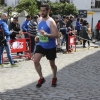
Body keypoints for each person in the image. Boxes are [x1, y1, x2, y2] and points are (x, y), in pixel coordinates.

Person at [34, 3, 59, 88]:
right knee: (35, 61)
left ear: (48, 11)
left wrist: (46, 35)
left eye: (44, 11)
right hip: (41, 44)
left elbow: (57, 35)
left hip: (50, 46)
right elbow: (40, 32)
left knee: (52, 64)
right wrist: (37, 36)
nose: (42, 12)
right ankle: (41, 78)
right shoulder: (39, 20)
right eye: (41, 10)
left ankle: (54, 77)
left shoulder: (51, 22)